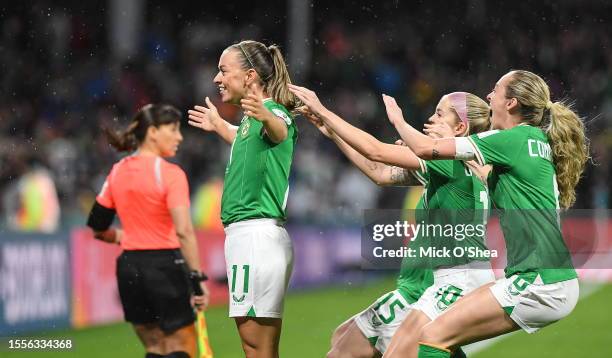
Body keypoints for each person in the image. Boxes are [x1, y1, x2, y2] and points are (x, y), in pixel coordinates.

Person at [381, 70, 588, 358]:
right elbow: (492, 174)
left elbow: (425, 148)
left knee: (431, 336)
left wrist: (397, 120)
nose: (489, 96)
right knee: (442, 335)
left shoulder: (511, 139)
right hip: (550, 277)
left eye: (495, 90)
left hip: (538, 279)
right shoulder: (533, 141)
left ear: (511, 103)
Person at [290, 85, 493, 358]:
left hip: (427, 289)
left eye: (440, 114)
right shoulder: (457, 167)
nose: (431, 119)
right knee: (343, 338)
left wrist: (324, 112)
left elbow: (376, 151)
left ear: (459, 129)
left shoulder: (449, 162)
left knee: (344, 351)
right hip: (422, 286)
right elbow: (381, 173)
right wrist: (334, 134)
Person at [187, 40, 299, 358]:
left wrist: (266, 114)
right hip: (254, 238)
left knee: (256, 349)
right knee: (258, 348)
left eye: (223, 70)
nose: (216, 78)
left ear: (249, 76)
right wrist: (221, 126)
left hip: (254, 239)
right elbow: (250, 140)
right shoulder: (251, 121)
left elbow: (278, 130)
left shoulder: (272, 113)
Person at [86, 104, 209, 358]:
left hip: (130, 269)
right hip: (165, 266)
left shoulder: (117, 170)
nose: (180, 137)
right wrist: (197, 279)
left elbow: (97, 227)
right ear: (153, 131)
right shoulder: (170, 174)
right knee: (182, 347)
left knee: (153, 347)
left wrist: (125, 236)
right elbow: (184, 231)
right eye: (173, 129)